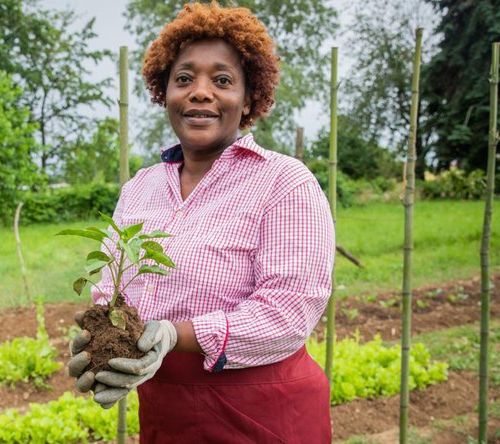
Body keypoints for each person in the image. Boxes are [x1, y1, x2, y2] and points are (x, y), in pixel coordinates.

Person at [67, 2, 335, 442]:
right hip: (167, 410)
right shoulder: (141, 187)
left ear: (249, 98)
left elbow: (289, 311)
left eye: (223, 80)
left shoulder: (284, 182)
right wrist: (102, 342)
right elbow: (112, 290)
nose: (200, 92)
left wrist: (175, 333)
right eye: (184, 78)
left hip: (261, 410)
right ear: (164, 92)